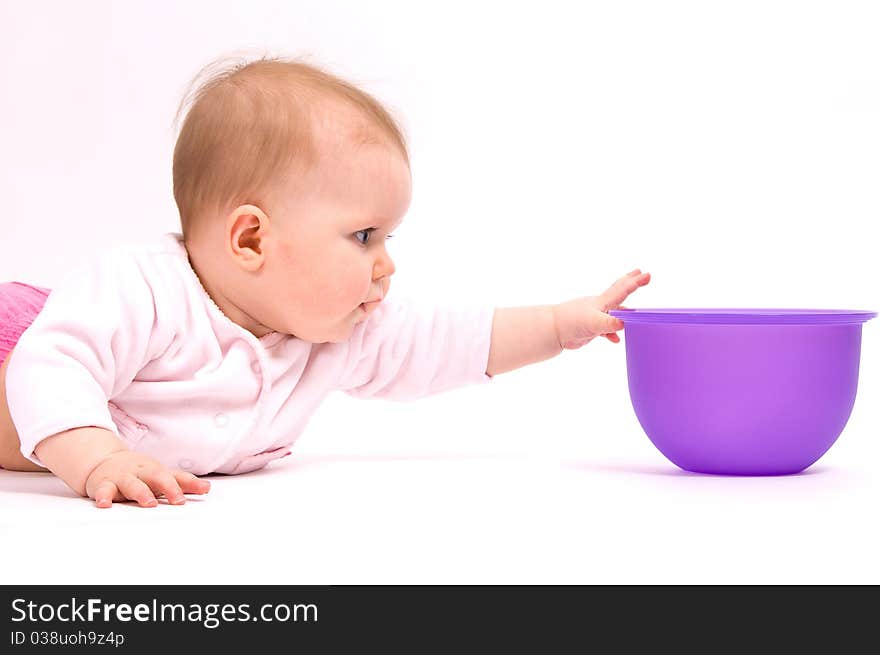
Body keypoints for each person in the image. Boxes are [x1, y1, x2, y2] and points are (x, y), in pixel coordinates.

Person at [0, 54, 651, 508]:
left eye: (388, 238)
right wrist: (97, 459)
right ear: (251, 239)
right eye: (364, 236)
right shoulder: (139, 290)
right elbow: (51, 365)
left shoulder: (334, 333)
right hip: (16, 348)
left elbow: (451, 342)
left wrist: (560, 325)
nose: (386, 264)